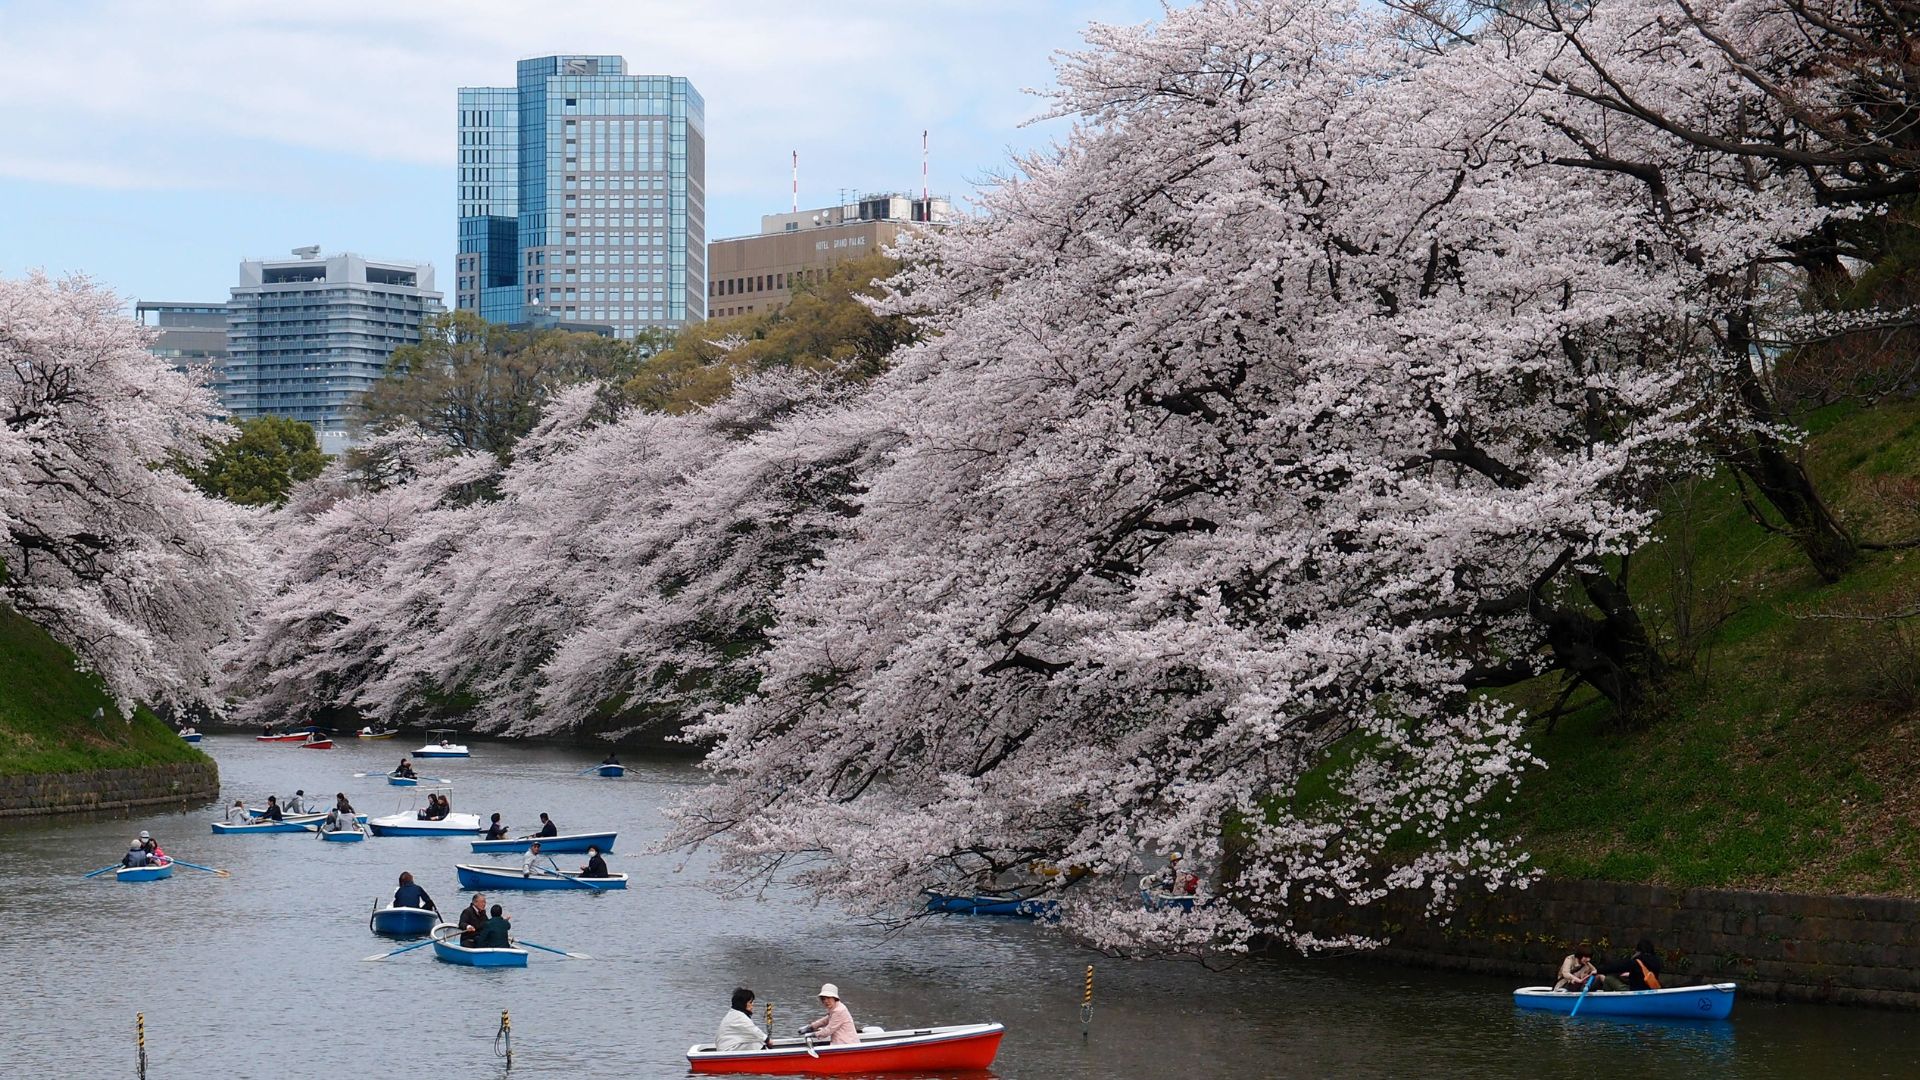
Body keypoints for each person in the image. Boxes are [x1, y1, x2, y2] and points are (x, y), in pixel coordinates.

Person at [1598, 938, 1664, 992]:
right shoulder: (1657, 961)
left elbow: (1616, 967)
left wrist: (1598, 970)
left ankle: (1608, 999)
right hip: (1651, 990)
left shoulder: (1636, 962)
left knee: (1609, 978)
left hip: (1634, 991)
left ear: (1638, 950)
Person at [715, 987, 767, 1052]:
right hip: (727, 1051)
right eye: (750, 1002)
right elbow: (754, 1031)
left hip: (727, 1047)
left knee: (756, 1041)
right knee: (755, 1044)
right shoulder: (739, 1017)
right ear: (743, 1004)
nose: (752, 1005)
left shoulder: (734, 1014)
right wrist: (767, 1040)